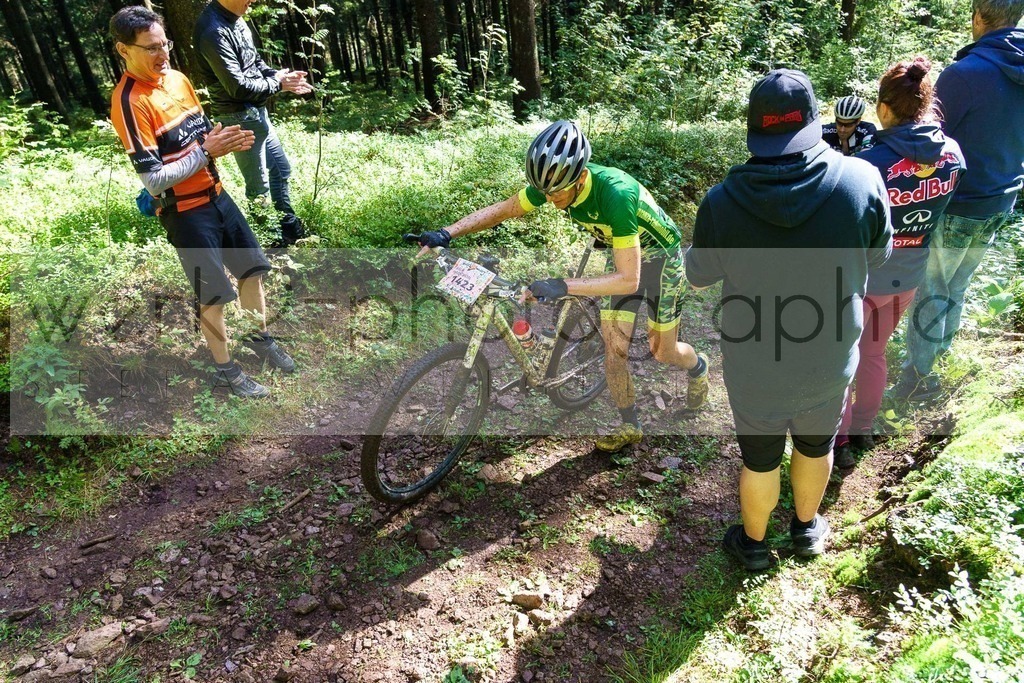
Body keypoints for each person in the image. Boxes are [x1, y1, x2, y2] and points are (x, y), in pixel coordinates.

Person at [686, 69, 892, 571]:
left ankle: (753, 544)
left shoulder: (721, 201)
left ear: (755, 131)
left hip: (754, 357)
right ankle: (805, 530)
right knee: (815, 443)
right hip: (830, 353)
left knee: (759, 458)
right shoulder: (860, 179)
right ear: (813, 122)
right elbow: (880, 255)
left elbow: (698, 276)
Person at [412, 120, 710, 453]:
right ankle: (631, 425)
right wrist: (447, 232)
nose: (551, 199)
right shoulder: (554, 179)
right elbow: (505, 210)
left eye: (557, 192)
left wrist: (562, 284)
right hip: (624, 252)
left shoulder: (616, 194)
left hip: (662, 260)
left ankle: (698, 367)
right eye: (546, 193)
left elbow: (630, 279)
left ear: (581, 177)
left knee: (662, 351)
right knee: (616, 351)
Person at [110, 6, 295, 398]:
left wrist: (220, 142)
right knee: (212, 294)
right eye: (150, 49)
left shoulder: (177, 79)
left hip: (217, 195)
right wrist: (206, 152)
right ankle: (225, 370)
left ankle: (260, 342)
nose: (163, 56)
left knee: (253, 269)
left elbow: (198, 139)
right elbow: (154, 179)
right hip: (185, 213)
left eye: (165, 45)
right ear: (123, 50)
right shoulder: (129, 101)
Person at [834, 58, 965, 468]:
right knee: (873, 352)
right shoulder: (953, 154)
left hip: (863, 275)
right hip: (909, 274)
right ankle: (863, 426)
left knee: (841, 354)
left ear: (885, 108)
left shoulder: (869, 164)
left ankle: (835, 439)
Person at [893, 0, 1024, 401]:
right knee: (957, 285)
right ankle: (938, 358)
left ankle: (919, 377)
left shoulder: (965, 73)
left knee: (932, 288)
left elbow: (927, 141)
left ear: (978, 17)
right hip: (1002, 198)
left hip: (959, 202)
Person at [194, 0, 312, 247]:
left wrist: (277, 76)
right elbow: (237, 87)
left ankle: (288, 226)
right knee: (259, 189)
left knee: (281, 170)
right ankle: (273, 245)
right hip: (237, 117)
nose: (254, 1)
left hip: (257, 113)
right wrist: (278, 85)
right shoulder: (213, 30)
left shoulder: (237, 18)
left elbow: (254, 63)